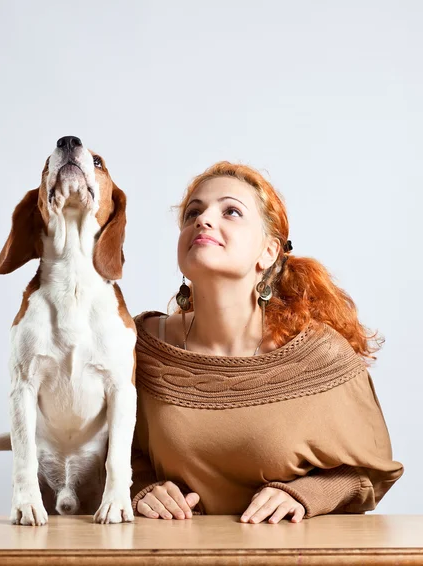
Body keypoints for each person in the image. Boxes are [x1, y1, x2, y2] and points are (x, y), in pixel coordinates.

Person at [131, 162, 403, 524]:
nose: (203, 219)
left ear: (269, 252)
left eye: (231, 211)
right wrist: (140, 489)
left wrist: (307, 494)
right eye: (193, 212)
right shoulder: (140, 345)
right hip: (167, 556)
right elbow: (92, 453)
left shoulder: (321, 357)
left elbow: (371, 473)